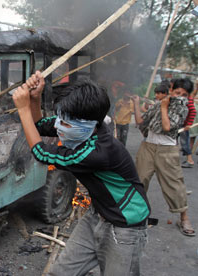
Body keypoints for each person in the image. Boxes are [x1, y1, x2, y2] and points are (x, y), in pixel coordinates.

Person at [13, 71, 150, 276]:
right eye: (60, 119)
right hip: (97, 215)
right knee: (59, 273)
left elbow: (40, 153)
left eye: (65, 123)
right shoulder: (82, 124)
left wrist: (23, 109)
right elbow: (39, 126)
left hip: (125, 227)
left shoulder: (98, 153)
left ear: (89, 124)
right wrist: (34, 98)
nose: (59, 126)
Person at [132, 78, 195, 237]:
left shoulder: (182, 107)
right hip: (148, 147)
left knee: (174, 184)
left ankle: (184, 218)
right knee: (139, 180)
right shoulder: (159, 103)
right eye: (177, 92)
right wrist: (136, 103)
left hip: (168, 150)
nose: (180, 96)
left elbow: (166, 127)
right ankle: (136, 215)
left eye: (184, 94)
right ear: (171, 89)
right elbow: (140, 121)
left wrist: (164, 106)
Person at [179, 80, 196, 168]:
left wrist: (188, 124)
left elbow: (193, 111)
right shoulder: (182, 98)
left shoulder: (188, 100)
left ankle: (190, 160)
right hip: (179, 124)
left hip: (184, 125)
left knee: (184, 143)